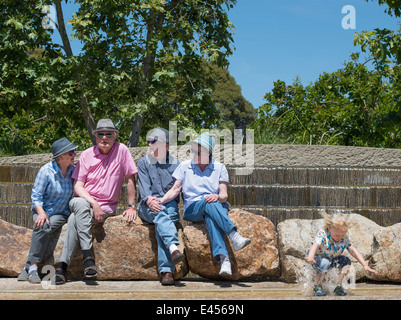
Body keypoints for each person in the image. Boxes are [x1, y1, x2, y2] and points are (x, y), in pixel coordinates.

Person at [55, 119, 138, 284]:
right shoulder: (86, 155)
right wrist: (94, 204)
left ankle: (62, 268)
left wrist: (131, 207)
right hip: (84, 201)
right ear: (95, 136)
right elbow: (78, 187)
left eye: (109, 134)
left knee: (73, 219)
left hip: (106, 208)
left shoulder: (122, 151)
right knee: (80, 204)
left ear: (115, 136)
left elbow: (130, 178)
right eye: (101, 134)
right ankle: (88, 257)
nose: (104, 138)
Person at [156, 133, 251, 276]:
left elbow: (224, 195)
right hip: (193, 208)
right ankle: (233, 235)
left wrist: (217, 196)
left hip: (216, 205)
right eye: (193, 151)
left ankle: (224, 260)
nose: (194, 154)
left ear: (209, 153)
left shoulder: (219, 168)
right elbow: (175, 189)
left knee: (211, 215)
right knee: (208, 203)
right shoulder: (184, 166)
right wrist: (161, 201)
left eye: (198, 152)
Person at [18, 137, 78, 284]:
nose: (74, 154)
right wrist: (41, 212)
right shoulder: (46, 171)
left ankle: (27, 267)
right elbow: (36, 196)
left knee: (46, 227)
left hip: (62, 213)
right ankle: (32, 268)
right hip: (44, 210)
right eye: (71, 152)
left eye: (74, 151)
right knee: (42, 225)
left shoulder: (74, 171)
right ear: (61, 156)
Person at [137, 127, 184, 286]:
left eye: (154, 142)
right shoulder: (143, 162)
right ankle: (172, 250)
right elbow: (145, 191)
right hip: (146, 205)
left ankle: (167, 271)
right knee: (164, 216)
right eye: (149, 142)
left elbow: (175, 191)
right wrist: (150, 200)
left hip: (167, 203)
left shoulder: (177, 165)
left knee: (162, 218)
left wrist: (161, 202)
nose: (150, 145)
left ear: (166, 145)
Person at [304, 211, 378, 296]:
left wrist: (365, 265)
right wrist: (311, 256)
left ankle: (337, 285)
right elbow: (316, 244)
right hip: (317, 259)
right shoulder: (323, 233)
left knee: (346, 261)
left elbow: (353, 250)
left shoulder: (344, 237)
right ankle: (318, 286)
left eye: (342, 235)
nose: (340, 238)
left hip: (331, 259)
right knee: (325, 262)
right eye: (337, 235)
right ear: (329, 228)